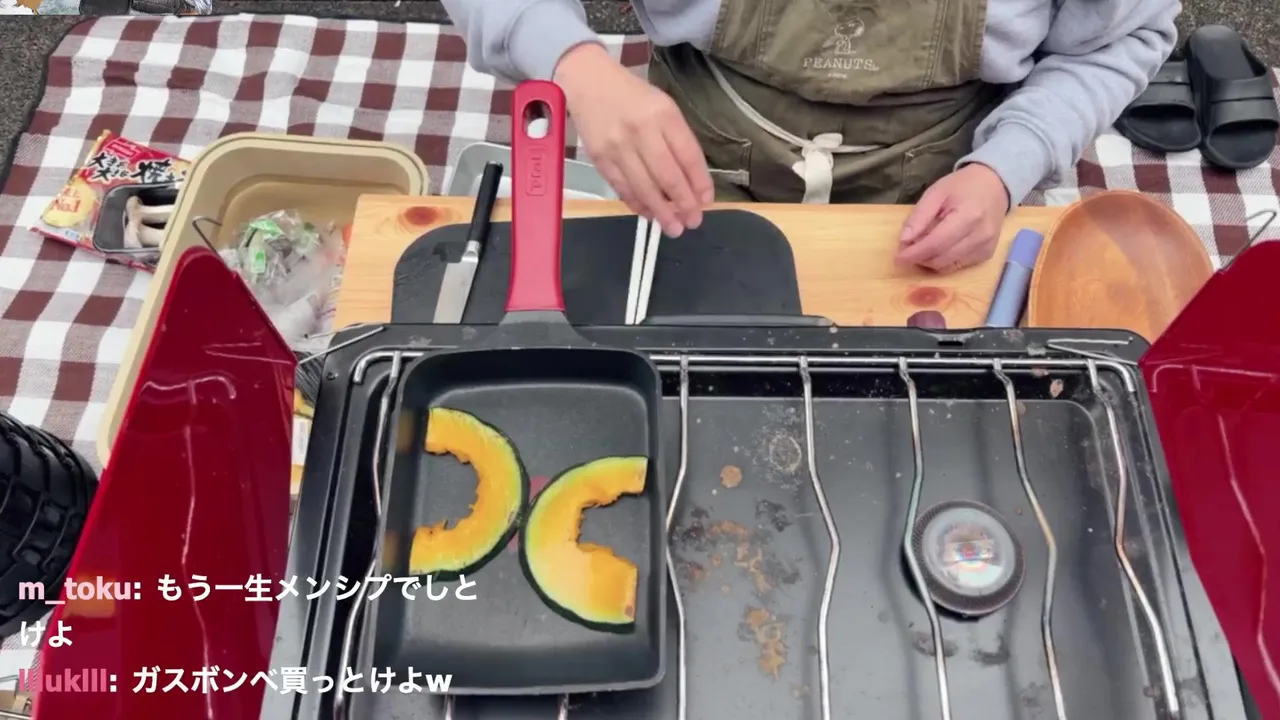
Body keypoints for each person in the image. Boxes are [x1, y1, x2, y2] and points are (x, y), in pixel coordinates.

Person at [441, 0, 1177, 272]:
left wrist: (1006, 166)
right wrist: (577, 68)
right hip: (693, 155)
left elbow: (1119, 40)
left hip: (954, 178)